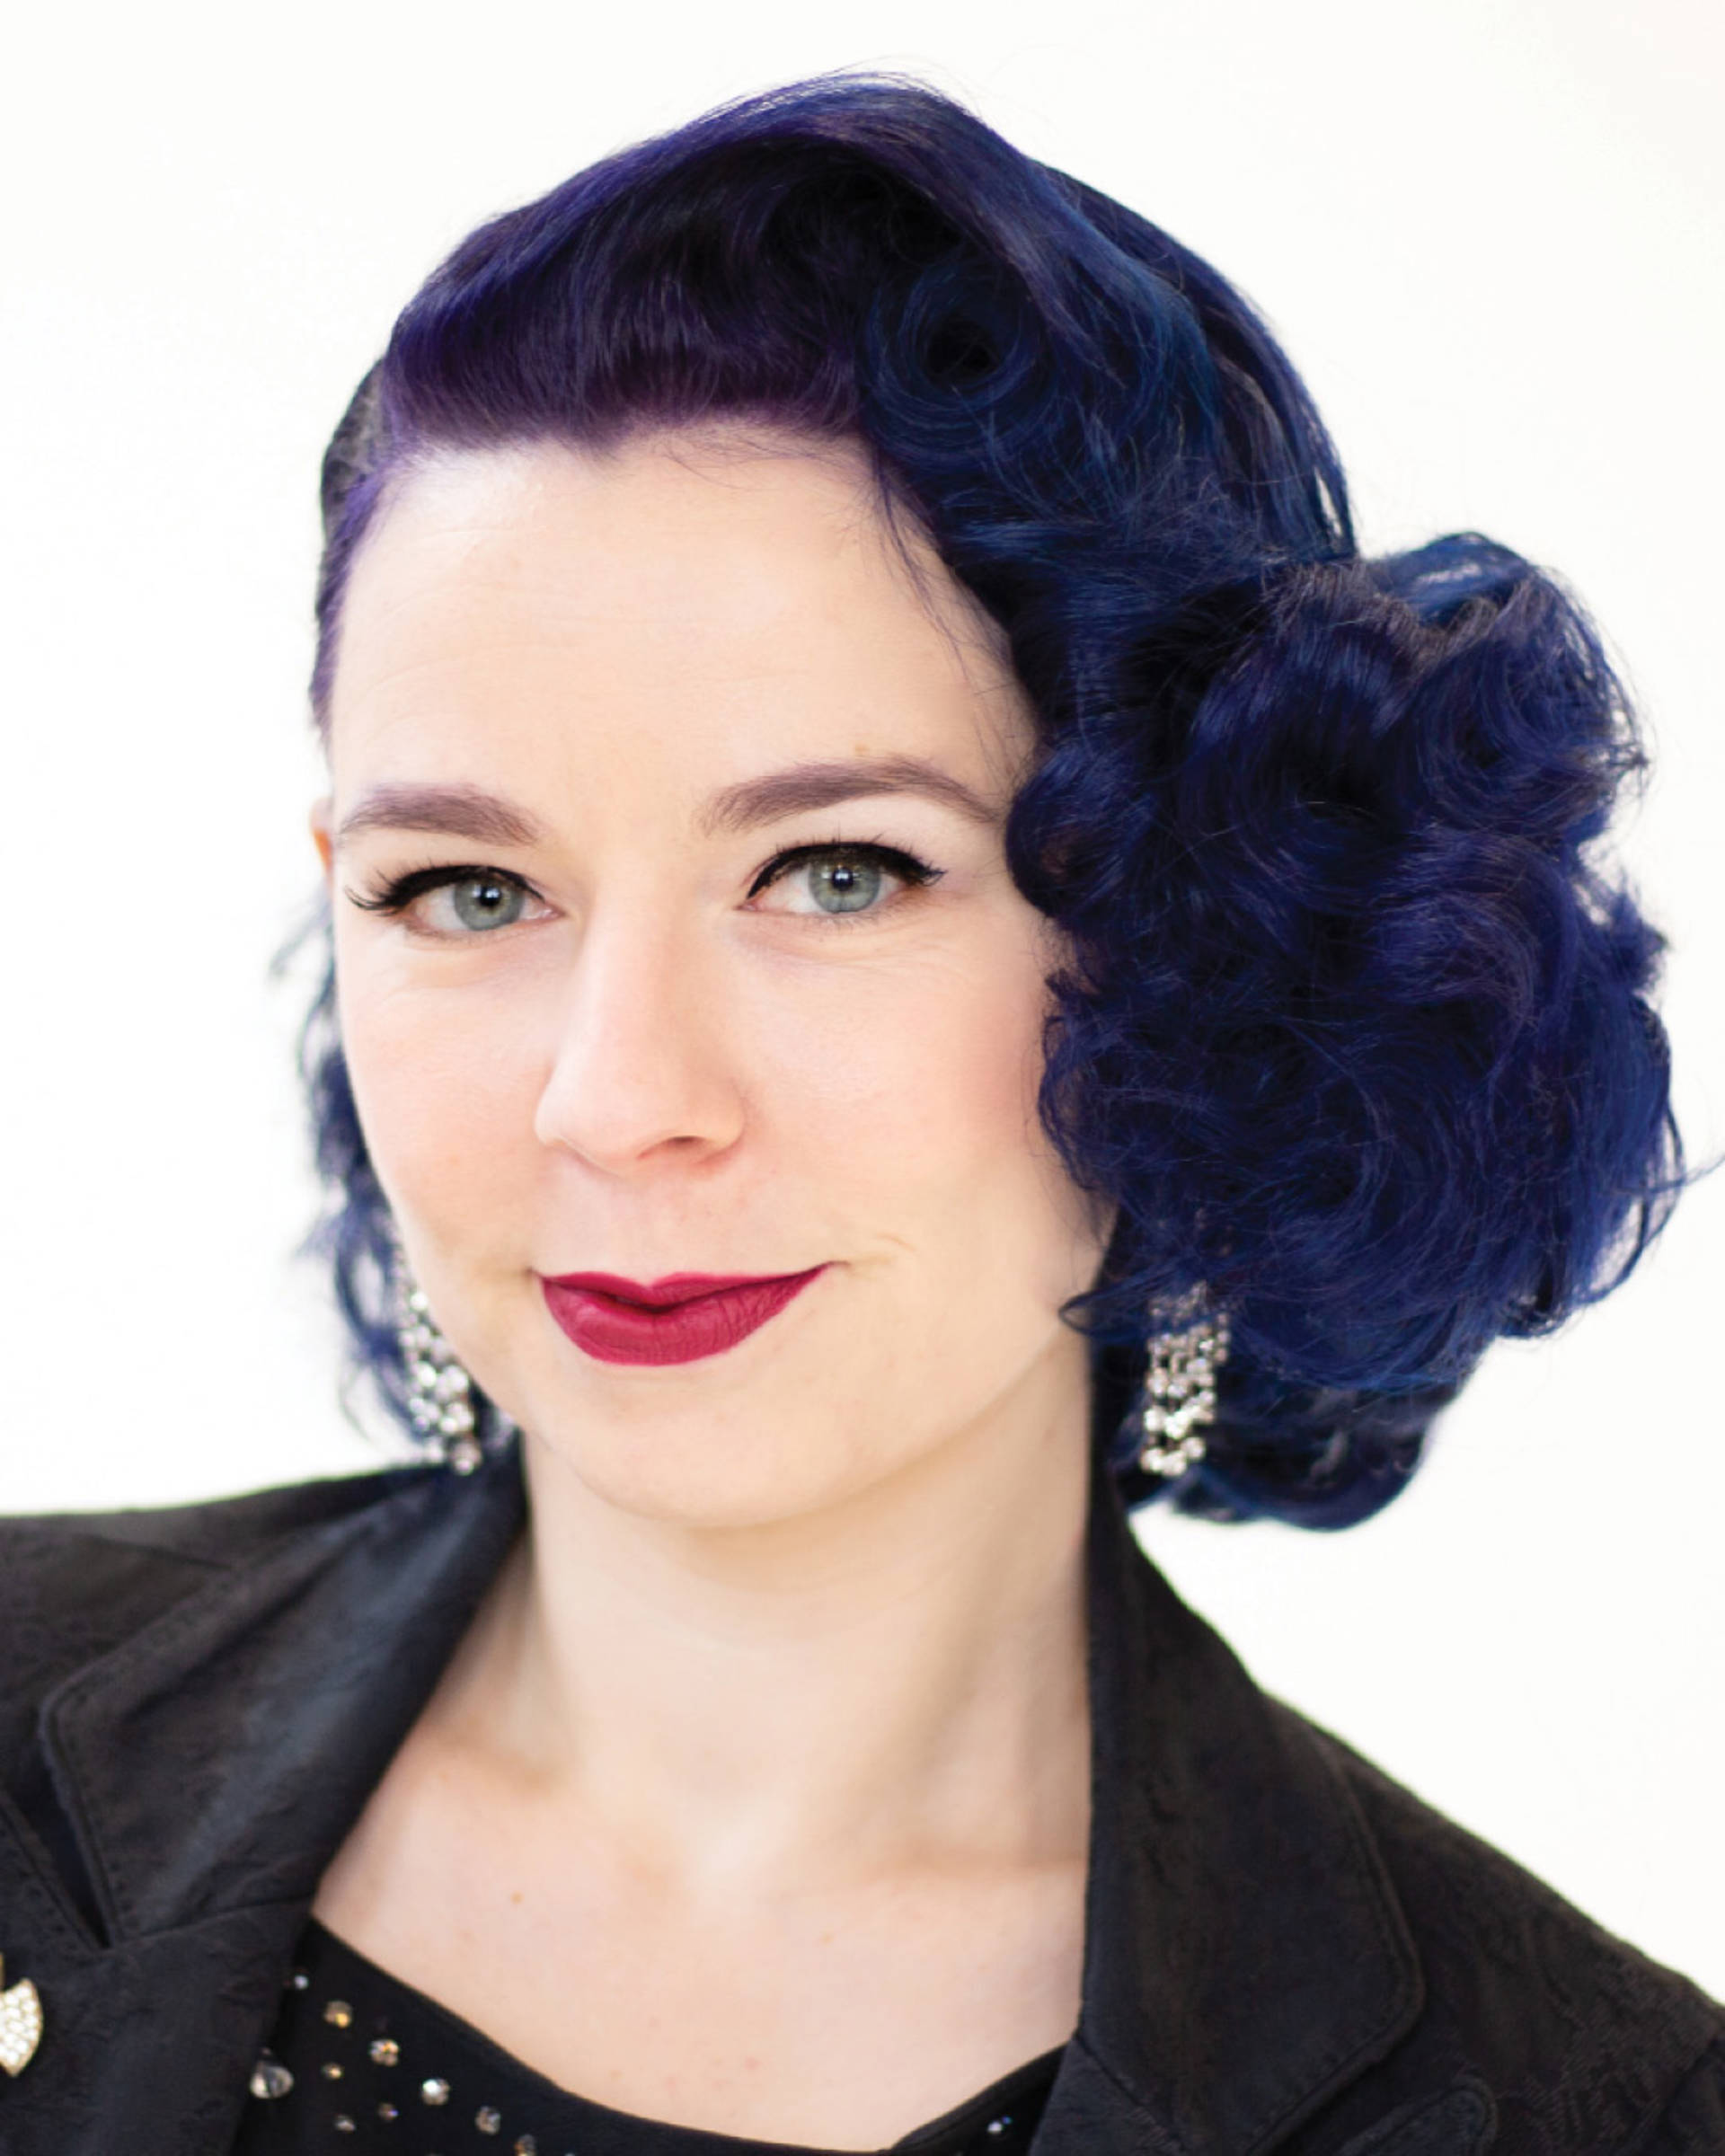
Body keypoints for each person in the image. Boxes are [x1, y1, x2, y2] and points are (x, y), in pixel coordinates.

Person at [0, 72, 1719, 2156]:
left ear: (1206, 946)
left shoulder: (1588, 2111)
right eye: (468, 889)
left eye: (839, 874)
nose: (617, 1097)